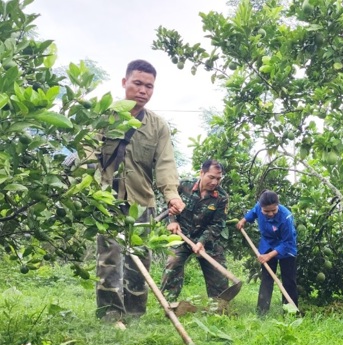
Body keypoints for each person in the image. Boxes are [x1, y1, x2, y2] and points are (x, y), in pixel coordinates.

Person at [95, 60, 185, 327]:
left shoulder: (158, 126)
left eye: (149, 86)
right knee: (109, 258)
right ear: (125, 82)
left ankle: (135, 313)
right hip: (107, 200)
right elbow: (88, 152)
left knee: (140, 258)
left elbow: (166, 163)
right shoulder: (104, 116)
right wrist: (91, 187)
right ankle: (111, 314)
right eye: (137, 83)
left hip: (141, 201)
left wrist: (171, 194)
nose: (143, 90)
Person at [160, 159, 230, 307]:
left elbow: (217, 225)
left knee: (219, 273)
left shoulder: (222, 197)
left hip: (206, 240)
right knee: (173, 263)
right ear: (202, 173)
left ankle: (219, 306)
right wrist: (172, 221)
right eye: (211, 177)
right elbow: (169, 205)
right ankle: (167, 303)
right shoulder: (183, 186)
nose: (214, 182)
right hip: (182, 235)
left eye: (218, 178)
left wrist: (202, 242)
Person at [236, 190, 299, 315]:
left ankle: (291, 313)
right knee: (266, 278)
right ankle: (262, 312)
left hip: (286, 247)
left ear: (278, 206)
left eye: (273, 211)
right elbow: (253, 213)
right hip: (268, 245)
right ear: (261, 207)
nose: (270, 214)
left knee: (289, 280)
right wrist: (243, 220)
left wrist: (269, 256)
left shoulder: (286, 217)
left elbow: (288, 242)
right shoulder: (258, 208)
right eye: (266, 211)